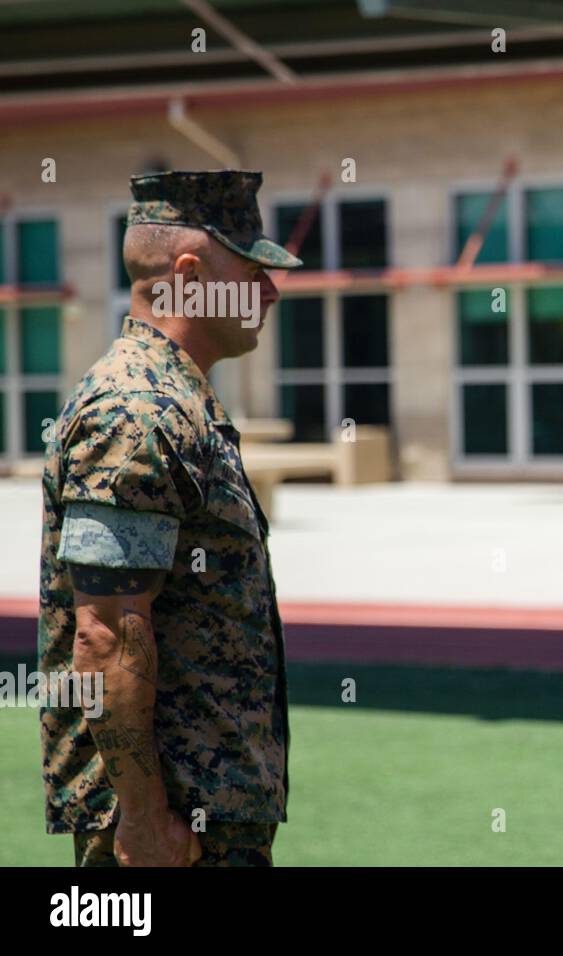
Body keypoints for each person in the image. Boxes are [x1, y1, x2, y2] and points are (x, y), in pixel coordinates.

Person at [39, 169, 301, 866]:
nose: (271, 290)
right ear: (190, 274)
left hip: (204, 820)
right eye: (253, 270)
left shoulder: (177, 401)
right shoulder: (137, 410)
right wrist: (144, 820)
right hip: (173, 836)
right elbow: (102, 636)